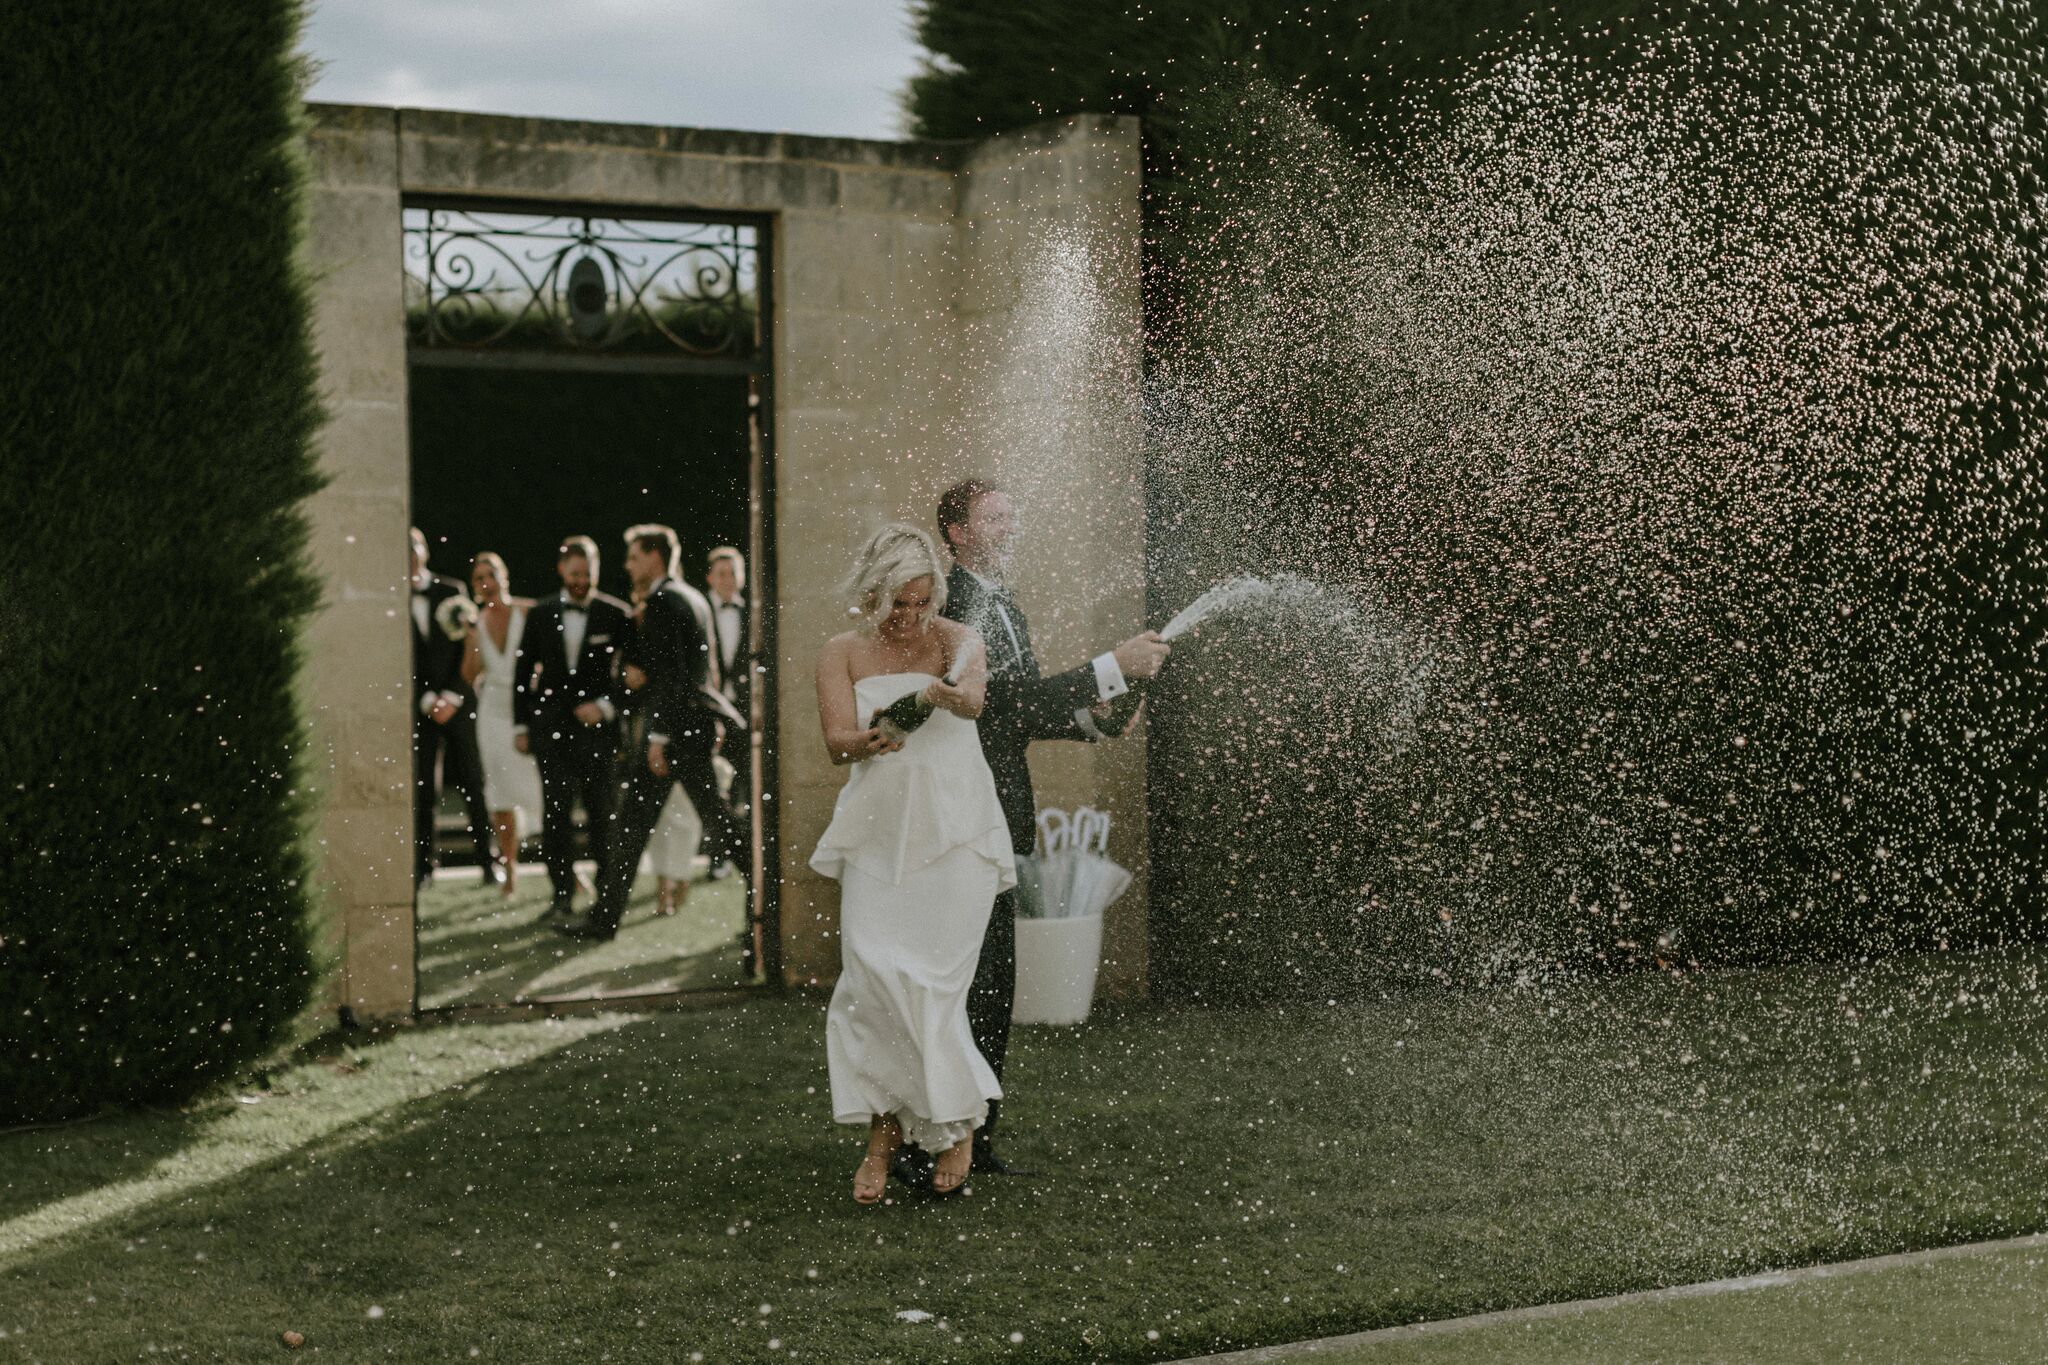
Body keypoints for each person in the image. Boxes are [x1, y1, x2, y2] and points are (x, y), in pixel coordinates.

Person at [930, 479, 1169, 1177]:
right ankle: (944, 1139)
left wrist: (1101, 711)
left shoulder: (1008, 605)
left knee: (995, 984)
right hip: (965, 814)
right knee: (970, 982)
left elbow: (1026, 715)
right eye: (995, 517)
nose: (1010, 527)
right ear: (958, 532)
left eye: (1013, 516)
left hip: (1003, 812)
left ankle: (976, 1137)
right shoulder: (953, 605)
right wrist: (1108, 665)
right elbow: (998, 702)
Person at [811, 523, 1008, 1202]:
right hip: (877, 833)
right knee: (873, 979)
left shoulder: (957, 639)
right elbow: (838, 742)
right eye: (899, 601)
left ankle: (944, 1128)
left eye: (922, 600)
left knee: (933, 987)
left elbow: (975, 697)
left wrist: (949, 695)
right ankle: (890, 1129)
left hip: (955, 835)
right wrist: (874, 735)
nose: (911, 615)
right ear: (873, 591)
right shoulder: (841, 651)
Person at [560, 524, 747, 942]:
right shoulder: (694, 598)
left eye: (633, 557)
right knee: (644, 826)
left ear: (655, 557)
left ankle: (603, 921)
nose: (627, 566)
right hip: (692, 728)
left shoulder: (664, 601)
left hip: (673, 735)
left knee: (700, 825)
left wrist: (658, 737)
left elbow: (674, 678)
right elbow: (703, 672)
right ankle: (604, 919)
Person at [513, 536, 631, 920]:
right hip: (552, 732)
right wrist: (521, 723)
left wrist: (605, 707)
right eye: (575, 572)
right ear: (562, 570)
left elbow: (632, 678)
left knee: (602, 815)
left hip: (598, 734)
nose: (581, 580)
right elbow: (522, 672)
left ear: (597, 572)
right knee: (556, 815)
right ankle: (561, 894)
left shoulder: (616, 614)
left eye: (588, 573)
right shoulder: (540, 613)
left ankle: (605, 899)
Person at [410, 527, 494, 888]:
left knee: (474, 782)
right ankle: (426, 868)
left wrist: (454, 695)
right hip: (421, 709)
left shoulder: (452, 592)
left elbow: (470, 651)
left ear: (425, 551)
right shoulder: (390, 597)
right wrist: (426, 700)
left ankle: (488, 864)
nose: (410, 555)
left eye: (414, 548)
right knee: (424, 787)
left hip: (459, 701)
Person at [461, 553, 546, 898]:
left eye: (491, 575)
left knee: (540, 787)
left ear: (504, 577)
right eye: (479, 578)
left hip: (527, 708)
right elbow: (470, 676)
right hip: (492, 712)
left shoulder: (529, 612)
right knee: (498, 794)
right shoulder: (475, 622)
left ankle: (562, 864)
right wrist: (469, 640)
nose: (486, 583)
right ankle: (509, 868)